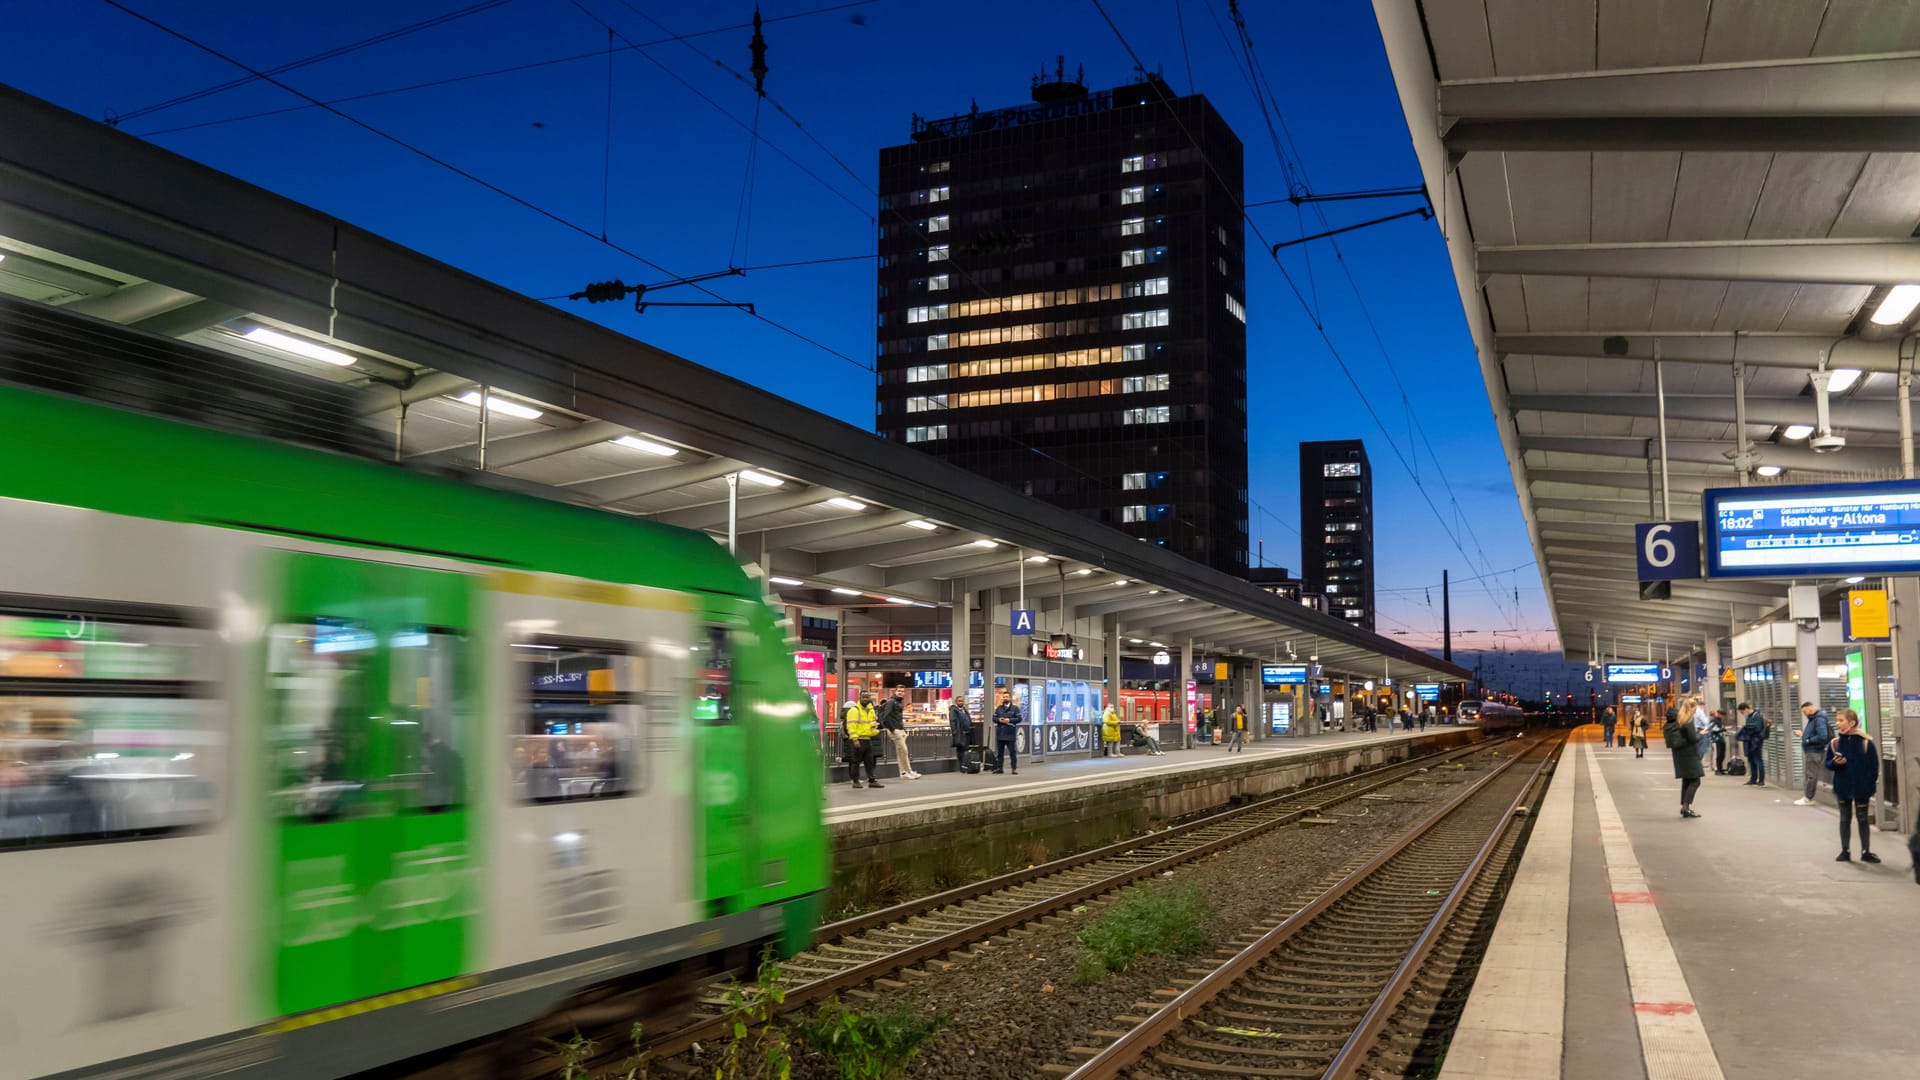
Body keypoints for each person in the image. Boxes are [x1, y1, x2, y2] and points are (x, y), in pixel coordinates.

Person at [1823, 709, 1881, 863]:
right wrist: (1835, 763)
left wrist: (1868, 782)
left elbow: (1874, 767)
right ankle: (1845, 851)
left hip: (1862, 788)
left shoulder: (1865, 742)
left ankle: (1865, 851)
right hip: (1843, 787)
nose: (1838, 723)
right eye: (1837, 720)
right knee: (1844, 818)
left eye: (1841, 720)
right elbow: (1827, 764)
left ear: (1852, 723)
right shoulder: (1835, 743)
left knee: (1863, 819)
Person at [1664, 706, 1704, 818]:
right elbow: (1693, 738)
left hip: (1679, 756)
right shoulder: (1686, 722)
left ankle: (1684, 807)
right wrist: (1701, 734)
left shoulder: (1669, 725)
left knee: (1687, 780)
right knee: (1695, 781)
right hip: (1689, 755)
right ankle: (1686, 807)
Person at [842, 692, 882, 789]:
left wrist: (878, 729)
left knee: (869, 761)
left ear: (869, 698)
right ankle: (855, 781)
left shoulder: (870, 710)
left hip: (867, 739)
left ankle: (871, 780)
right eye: (863, 697)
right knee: (855, 761)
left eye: (867, 697)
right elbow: (851, 726)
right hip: (858, 739)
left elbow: (871, 726)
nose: (865, 699)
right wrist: (855, 739)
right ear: (859, 698)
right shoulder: (854, 710)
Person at [1795, 701, 1831, 805]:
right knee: (1810, 774)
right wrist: (1803, 735)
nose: (1805, 714)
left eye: (1805, 711)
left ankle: (1808, 797)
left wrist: (1808, 740)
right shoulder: (1814, 719)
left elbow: (1822, 736)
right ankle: (1807, 797)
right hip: (1813, 751)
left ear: (1810, 709)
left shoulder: (1818, 719)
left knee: (1811, 775)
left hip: (1814, 751)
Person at [877, 690, 917, 780]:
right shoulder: (891, 702)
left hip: (900, 729)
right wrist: (892, 729)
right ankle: (907, 771)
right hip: (895, 730)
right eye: (899, 690)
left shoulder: (899, 702)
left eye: (902, 691)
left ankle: (904, 772)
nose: (901, 692)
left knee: (901, 752)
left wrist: (903, 729)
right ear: (895, 691)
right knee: (904, 751)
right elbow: (886, 717)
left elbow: (897, 717)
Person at [1736, 703, 1769, 785]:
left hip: (1756, 741)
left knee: (1758, 759)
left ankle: (1761, 780)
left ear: (1746, 709)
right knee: (1751, 760)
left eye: (1742, 712)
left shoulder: (1757, 716)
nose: (1743, 714)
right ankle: (1753, 778)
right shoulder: (1750, 716)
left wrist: (1745, 727)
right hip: (1750, 741)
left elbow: (1757, 728)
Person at [991, 689, 1022, 775]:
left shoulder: (1015, 709)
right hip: (1000, 733)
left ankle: (1014, 768)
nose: (1005, 698)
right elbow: (994, 718)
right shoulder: (999, 708)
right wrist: (999, 720)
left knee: (1012, 752)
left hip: (1010, 733)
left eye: (1007, 697)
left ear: (1010, 698)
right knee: (1000, 753)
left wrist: (1009, 720)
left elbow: (1019, 719)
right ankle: (999, 768)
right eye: (1004, 697)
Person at [947, 693, 974, 773]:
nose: (961, 702)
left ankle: (966, 765)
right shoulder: (953, 710)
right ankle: (962, 766)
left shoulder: (964, 710)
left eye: (962, 701)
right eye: (959, 701)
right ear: (956, 702)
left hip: (967, 733)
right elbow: (953, 722)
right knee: (960, 750)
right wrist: (955, 732)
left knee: (966, 750)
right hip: (960, 734)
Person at [1707, 711, 1728, 775]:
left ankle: (1720, 769)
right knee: (1718, 755)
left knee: (1722, 755)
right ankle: (1717, 769)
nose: (1722, 717)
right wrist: (1724, 729)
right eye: (1722, 715)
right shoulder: (1714, 720)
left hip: (1721, 739)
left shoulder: (1719, 720)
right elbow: (1714, 729)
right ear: (1719, 714)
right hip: (1715, 739)